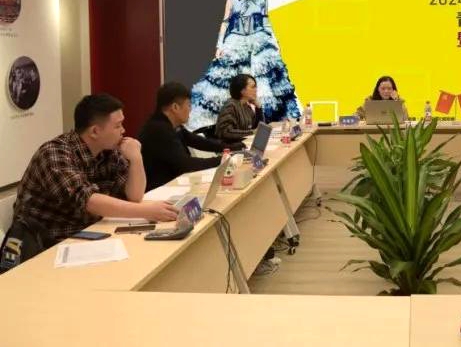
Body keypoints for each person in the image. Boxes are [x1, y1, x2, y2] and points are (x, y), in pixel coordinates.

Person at [0, 94, 179, 272]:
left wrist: (136, 159)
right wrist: (147, 211)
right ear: (94, 131)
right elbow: (89, 200)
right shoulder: (54, 153)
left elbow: (134, 196)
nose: (123, 130)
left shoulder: (108, 150)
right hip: (47, 247)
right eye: (118, 125)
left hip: (87, 236)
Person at [188, 0, 301, 131]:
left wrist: (274, 40)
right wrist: (219, 45)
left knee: (268, 81)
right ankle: (227, 125)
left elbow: (265, 21)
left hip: (258, 41)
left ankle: (269, 124)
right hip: (236, 41)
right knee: (226, 81)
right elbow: (225, 21)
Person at [139, 82, 244, 192]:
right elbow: (187, 164)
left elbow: (196, 141)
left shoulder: (170, 124)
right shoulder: (159, 130)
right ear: (175, 107)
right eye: (189, 105)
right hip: (159, 191)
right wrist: (224, 160)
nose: (190, 109)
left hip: (172, 184)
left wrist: (231, 148)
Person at [215, 74, 265, 142]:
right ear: (242, 90)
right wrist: (252, 132)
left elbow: (259, 129)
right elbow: (225, 132)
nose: (256, 90)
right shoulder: (230, 106)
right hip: (231, 147)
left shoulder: (247, 106)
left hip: (244, 144)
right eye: (253, 87)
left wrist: (259, 108)